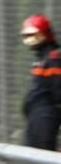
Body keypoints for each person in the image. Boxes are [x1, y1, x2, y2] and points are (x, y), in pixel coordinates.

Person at [21, 14, 61, 150]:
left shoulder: (53, 59)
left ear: (44, 35)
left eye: (32, 35)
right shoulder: (42, 59)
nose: (29, 39)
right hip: (36, 117)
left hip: (44, 119)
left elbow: (57, 91)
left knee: (39, 153)